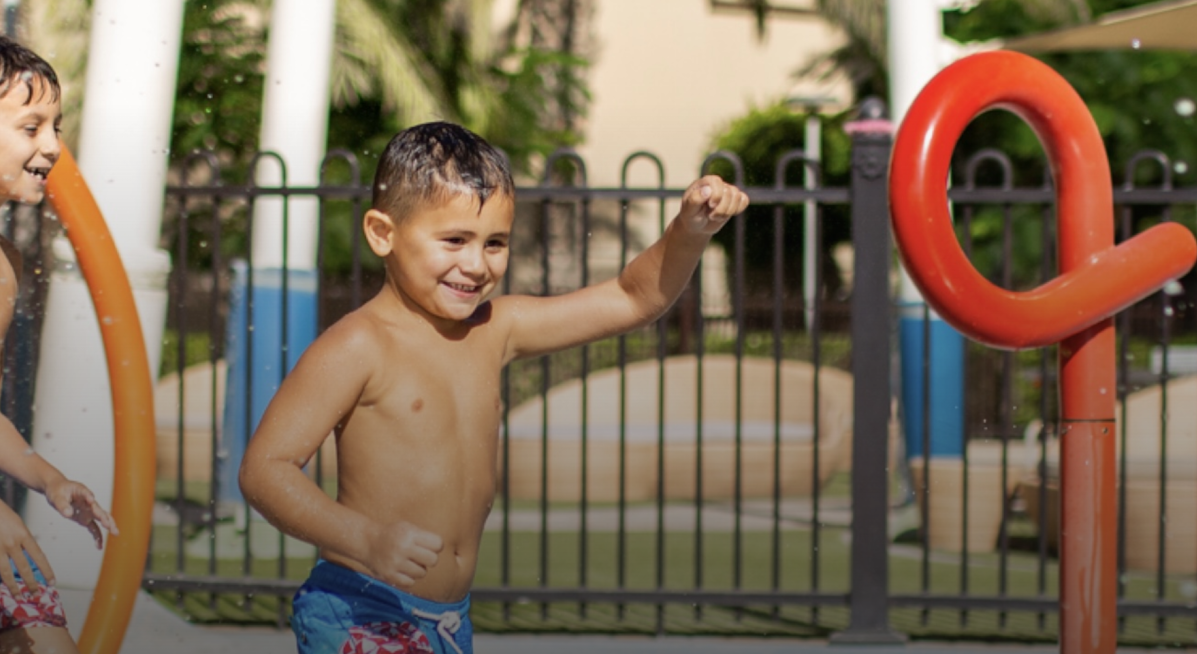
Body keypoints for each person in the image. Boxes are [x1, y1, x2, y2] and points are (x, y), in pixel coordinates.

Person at [240, 121, 748, 654]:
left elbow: (631, 298)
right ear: (382, 233)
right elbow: (264, 470)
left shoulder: (494, 329)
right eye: (454, 240)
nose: (476, 264)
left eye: (495, 243)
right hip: (363, 607)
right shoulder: (359, 345)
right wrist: (364, 540)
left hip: (447, 620)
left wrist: (689, 233)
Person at [0, 37, 118, 654]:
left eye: (57, 127)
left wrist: (47, 479)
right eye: (31, 127)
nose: (52, 145)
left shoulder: (6, 266)